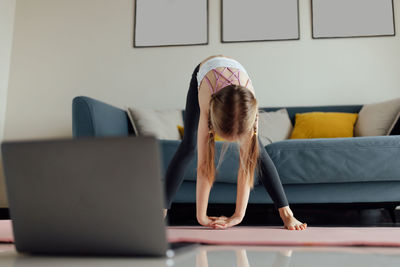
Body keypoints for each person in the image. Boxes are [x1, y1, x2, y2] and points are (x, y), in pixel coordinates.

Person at [163, 55, 307, 231]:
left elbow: (247, 166)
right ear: (213, 122)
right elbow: (204, 165)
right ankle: (159, 212)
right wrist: (201, 217)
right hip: (207, 74)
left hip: (237, 83)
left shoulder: (250, 110)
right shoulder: (207, 100)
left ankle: (287, 214)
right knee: (188, 146)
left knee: (258, 153)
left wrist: (238, 216)